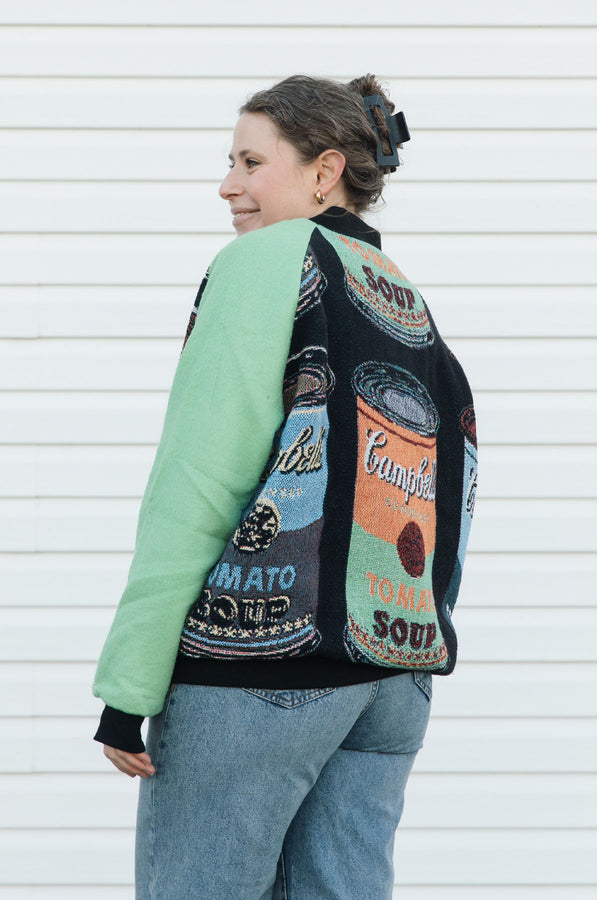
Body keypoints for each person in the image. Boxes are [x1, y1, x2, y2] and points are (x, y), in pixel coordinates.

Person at [93, 74, 478, 899]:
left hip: (263, 673)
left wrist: (128, 686)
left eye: (250, 161)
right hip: (391, 678)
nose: (228, 183)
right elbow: (456, 483)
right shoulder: (400, 291)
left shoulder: (265, 260)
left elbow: (200, 478)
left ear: (323, 169)